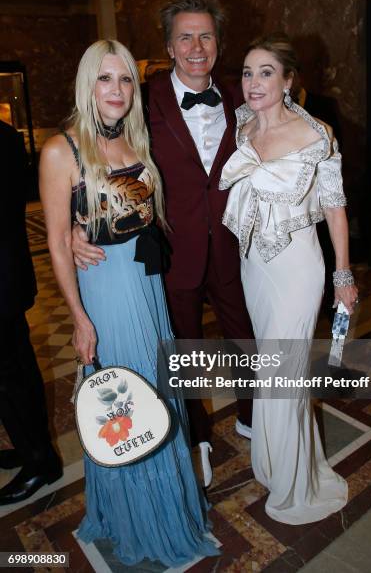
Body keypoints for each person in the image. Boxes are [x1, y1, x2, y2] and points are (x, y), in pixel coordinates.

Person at [39, 39, 218, 566]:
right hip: (106, 295)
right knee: (126, 404)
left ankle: (167, 509)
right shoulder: (61, 150)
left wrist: (86, 223)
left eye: (124, 81)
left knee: (159, 397)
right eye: (104, 79)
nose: (116, 90)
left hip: (147, 288)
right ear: (86, 84)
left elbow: (140, 216)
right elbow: (53, 242)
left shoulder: (135, 142)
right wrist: (78, 317)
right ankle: (138, 517)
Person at [71, 0, 254, 487]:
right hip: (170, 251)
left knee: (246, 341)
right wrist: (74, 219)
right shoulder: (141, 95)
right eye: (185, 37)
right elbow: (91, 148)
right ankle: (198, 439)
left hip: (239, 246)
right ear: (170, 47)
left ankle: (255, 419)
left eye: (206, 35)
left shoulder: (243, 94)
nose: (197, 47)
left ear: (218, 41)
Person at [219, 33, 359, 524]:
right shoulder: (240, 127)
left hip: (299, 269)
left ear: (288, 80)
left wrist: (343, 274)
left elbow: (335, 208)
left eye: (265, 73)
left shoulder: (317, 135)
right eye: (247, 73)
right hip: (253, 264)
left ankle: (295, 484)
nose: (253, 83)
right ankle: (279, 462)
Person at [0, 120, 62, 506]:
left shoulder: (3, 139)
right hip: (6, 278)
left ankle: (40, 460)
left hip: (1, 282)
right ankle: (29, 448)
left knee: (12, 376)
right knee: (11, 375)